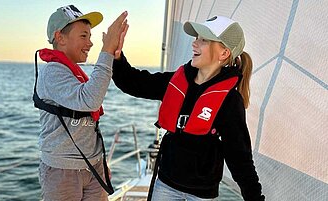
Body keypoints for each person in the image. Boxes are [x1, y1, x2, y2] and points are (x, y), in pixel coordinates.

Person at [112, 16, 265, 201]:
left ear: (224, 53)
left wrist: (255, 197)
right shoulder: (176, 82)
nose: (194, 44)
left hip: (201, 194)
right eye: (196, 38)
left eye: (204, 40)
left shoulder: (230, 100)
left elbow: (239, 158)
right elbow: (133, 83)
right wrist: (117, 56)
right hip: (166, 184)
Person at [33, 5, 128, 201]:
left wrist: (99, 161)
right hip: (62, 171)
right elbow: (90, 100)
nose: (91, 43)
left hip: (93, 166)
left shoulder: (75, 74)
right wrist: (107, 50)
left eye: (90, 37)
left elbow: (88, 124)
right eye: (84, 36)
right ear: (60, 37)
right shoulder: (52, 72)